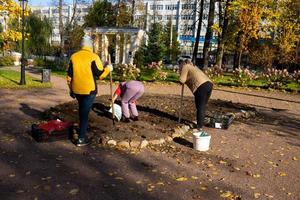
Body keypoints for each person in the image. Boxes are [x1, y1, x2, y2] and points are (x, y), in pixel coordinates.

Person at [67, 35, 113, 146]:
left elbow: (69, 77)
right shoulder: (93, 56)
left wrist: (71, 90)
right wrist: (108, 69)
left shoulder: (74, 57)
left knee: (82, 112)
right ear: (90, 46)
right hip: (89, 90)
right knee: (84, 114)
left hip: (77, 90)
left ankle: (81, 131)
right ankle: (81, 139)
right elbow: (100, 74)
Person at [178, 59, 213, 130]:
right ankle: (201, 123)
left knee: (200, 107)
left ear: (182, 63)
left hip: (201, 86)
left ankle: (199, 127)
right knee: (202, 106)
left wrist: (180, 78)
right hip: (209, 84)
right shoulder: (194, 67)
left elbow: (182, 80)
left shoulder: (186, 66)